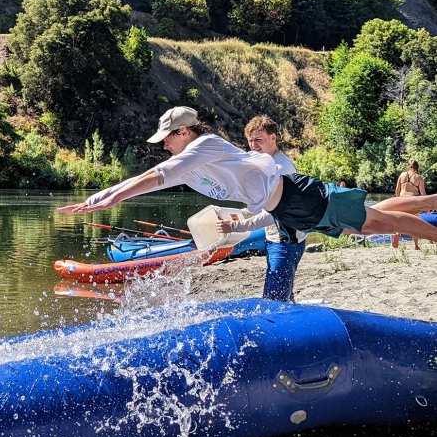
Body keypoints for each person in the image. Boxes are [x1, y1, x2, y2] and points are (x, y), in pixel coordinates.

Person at [62, 106, 437, 246]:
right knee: (371, 219)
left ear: (185, 132)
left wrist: (110, 199)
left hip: (296, 196)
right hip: (287, 210)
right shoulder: (192, 168)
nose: (164, 145)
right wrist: (101, 195)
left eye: (167, 138)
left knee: (375, 220)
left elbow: (160, 174)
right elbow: (154, 175)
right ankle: (429, 203)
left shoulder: (205, 145)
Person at [216, 116, 306, 302]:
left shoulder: (282, 168)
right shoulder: (265, 164)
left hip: (285, 242)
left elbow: (272, 215)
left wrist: (235, 227)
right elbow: (261, 203)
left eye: (259, 140)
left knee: (273, 300)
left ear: (273, 138)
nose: (253, 145)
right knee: (283, 293)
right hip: (277, 239)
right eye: (250, 140)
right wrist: (239, 214)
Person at [393, 160, 428, 250]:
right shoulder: (418, 177)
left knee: (400, 220)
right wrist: (426, 205)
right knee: (414, 223)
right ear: (417, 167)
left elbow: (397, 190)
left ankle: (397, 234)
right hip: (413, 199)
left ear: (408, 166)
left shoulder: (402, 175)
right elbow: (423, 193)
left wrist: (397, 201)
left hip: (401, 199)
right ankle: (415, 245)